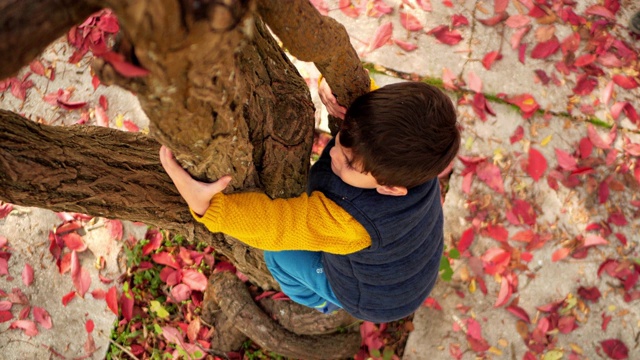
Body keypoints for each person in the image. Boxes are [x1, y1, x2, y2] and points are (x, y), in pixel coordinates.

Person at [159, 78, 460, 323]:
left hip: (373, 297)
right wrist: (352, 98)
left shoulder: (351, 221)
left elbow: (277, 226)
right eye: (342, 139)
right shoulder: (408, 161)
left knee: (280, 257)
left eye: (350, 163)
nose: (333, 154)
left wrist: (207, 205)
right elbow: (392, 121)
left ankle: (321, 303)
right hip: (411, 268)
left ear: (391, 189)